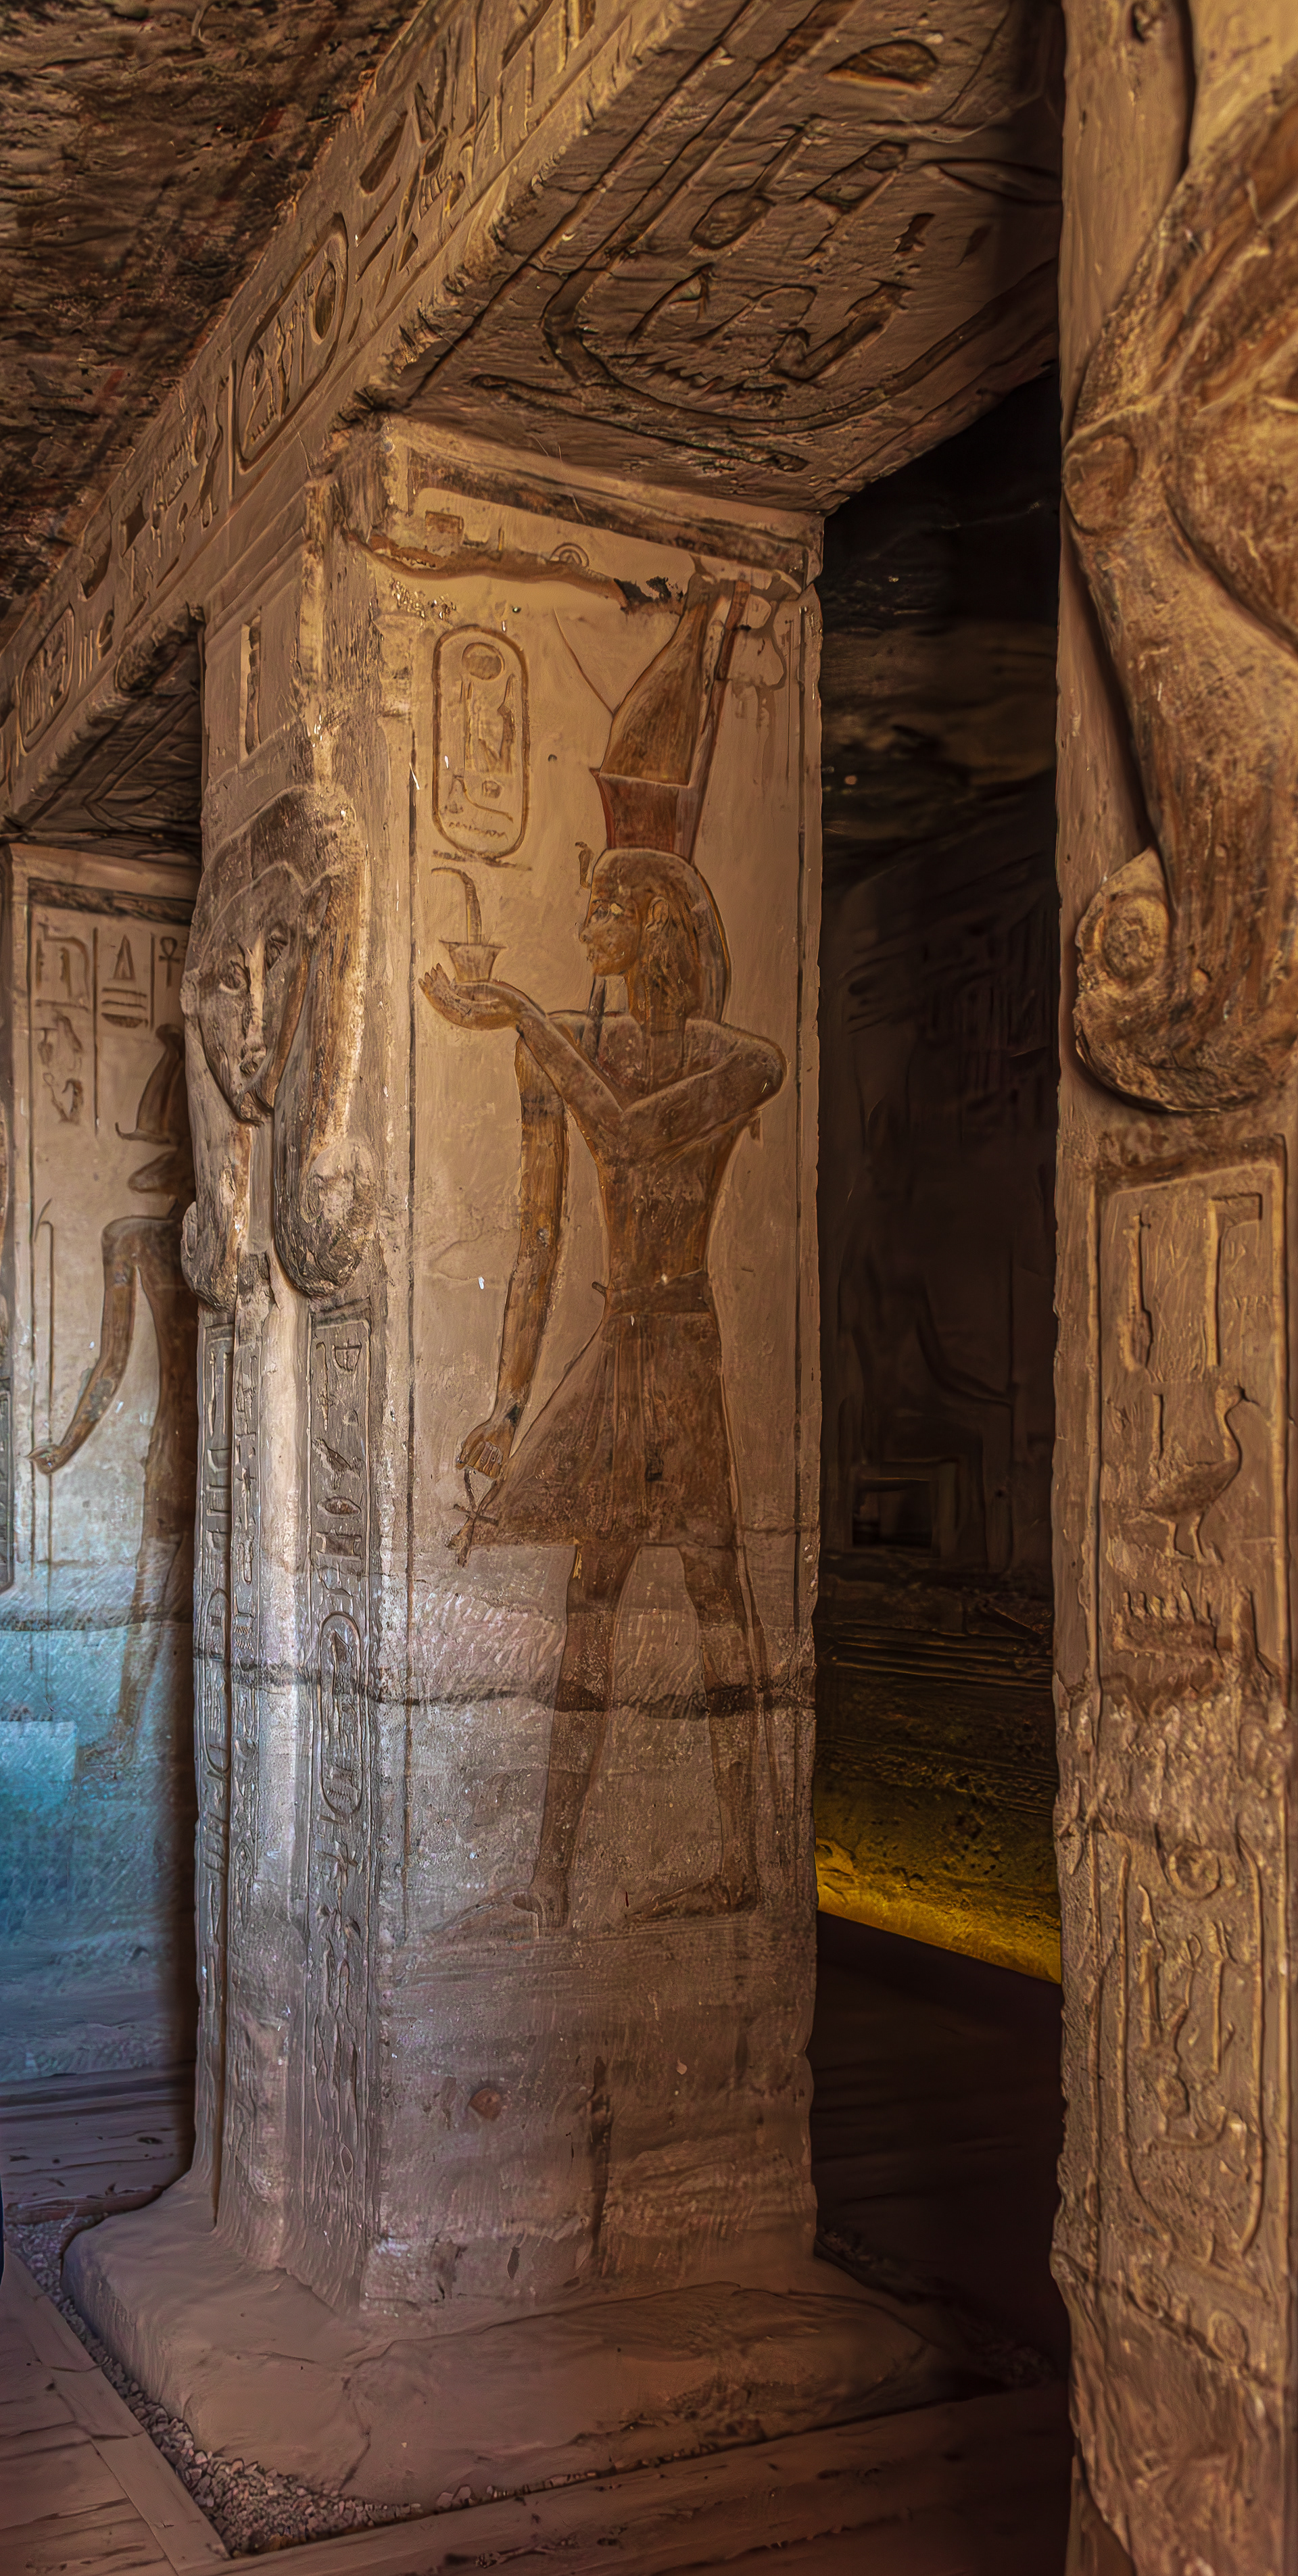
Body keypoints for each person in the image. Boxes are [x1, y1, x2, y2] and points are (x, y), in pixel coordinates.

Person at [423, 844, 784, 1928]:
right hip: (624, 1349)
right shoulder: (567, 1053)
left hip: (683, 1345)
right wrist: (511, 1398)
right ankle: (547, 1882)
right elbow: (539, 1239)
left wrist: (531, 1013)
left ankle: (744, 1865)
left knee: (719, 1595)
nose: (588, 935)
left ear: (657, 920)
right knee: (592, 1602)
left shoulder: (740, 1059)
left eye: (604, 913)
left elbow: (632, 1135)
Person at [33, 1026, 197, 1779]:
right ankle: (133, 1738)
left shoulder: (136, 1239)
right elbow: (109, 1361)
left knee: (154, 1588)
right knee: (158, 1588)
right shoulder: (142, 1241)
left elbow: (107, 1363)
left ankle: (135, 1740)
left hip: (183, 1443)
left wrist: (67, 1446)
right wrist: (64, 1450)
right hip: (194, 1443)